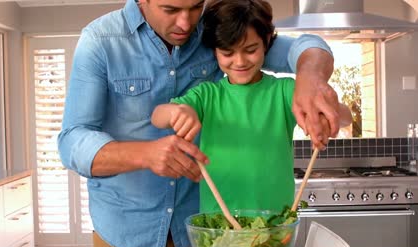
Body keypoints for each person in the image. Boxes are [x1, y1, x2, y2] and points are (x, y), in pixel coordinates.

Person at [58, 0, 340, 247]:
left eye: (195, 6)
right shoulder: (101, 41)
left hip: (204, 232)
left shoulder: (214, 28)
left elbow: (306, 47)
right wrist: (145, 154)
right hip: (125, 232)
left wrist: (311, 78)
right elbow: (72, 140)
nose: (186, 23)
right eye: (170, 10)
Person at [151, 0, 352, 213]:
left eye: (250, 50)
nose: (239, 61)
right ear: (215, 51)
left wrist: (325, 114)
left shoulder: (284, 91)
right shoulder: (207, 95)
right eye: (228, 53)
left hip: (275, 222)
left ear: (265, 42)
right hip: (219, 223)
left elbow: (346, 116)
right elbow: (157, 115)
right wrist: (177, 112)